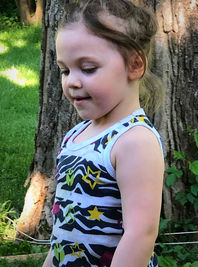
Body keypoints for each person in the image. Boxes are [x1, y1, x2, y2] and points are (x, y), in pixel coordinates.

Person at [43, 0, 164, 266]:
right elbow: (63, 229)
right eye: (65, 70)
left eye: (88, 69)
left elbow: (140, 235)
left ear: (134, 65)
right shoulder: (76, 135)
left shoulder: (135, 141)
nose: (72, 81)